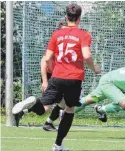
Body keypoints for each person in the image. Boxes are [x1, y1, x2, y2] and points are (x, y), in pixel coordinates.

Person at [12, 3, 101, 151]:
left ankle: (33, 102)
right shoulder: (84, 35)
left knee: (43, 109)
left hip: (56, 76)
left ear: (66, 17)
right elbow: (86, 55)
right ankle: (58, 145)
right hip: (74, 78)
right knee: (70, 109)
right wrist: (95, 68)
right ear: (79, 19)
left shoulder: (56, 34)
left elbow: (47, 58)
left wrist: (52, 75)